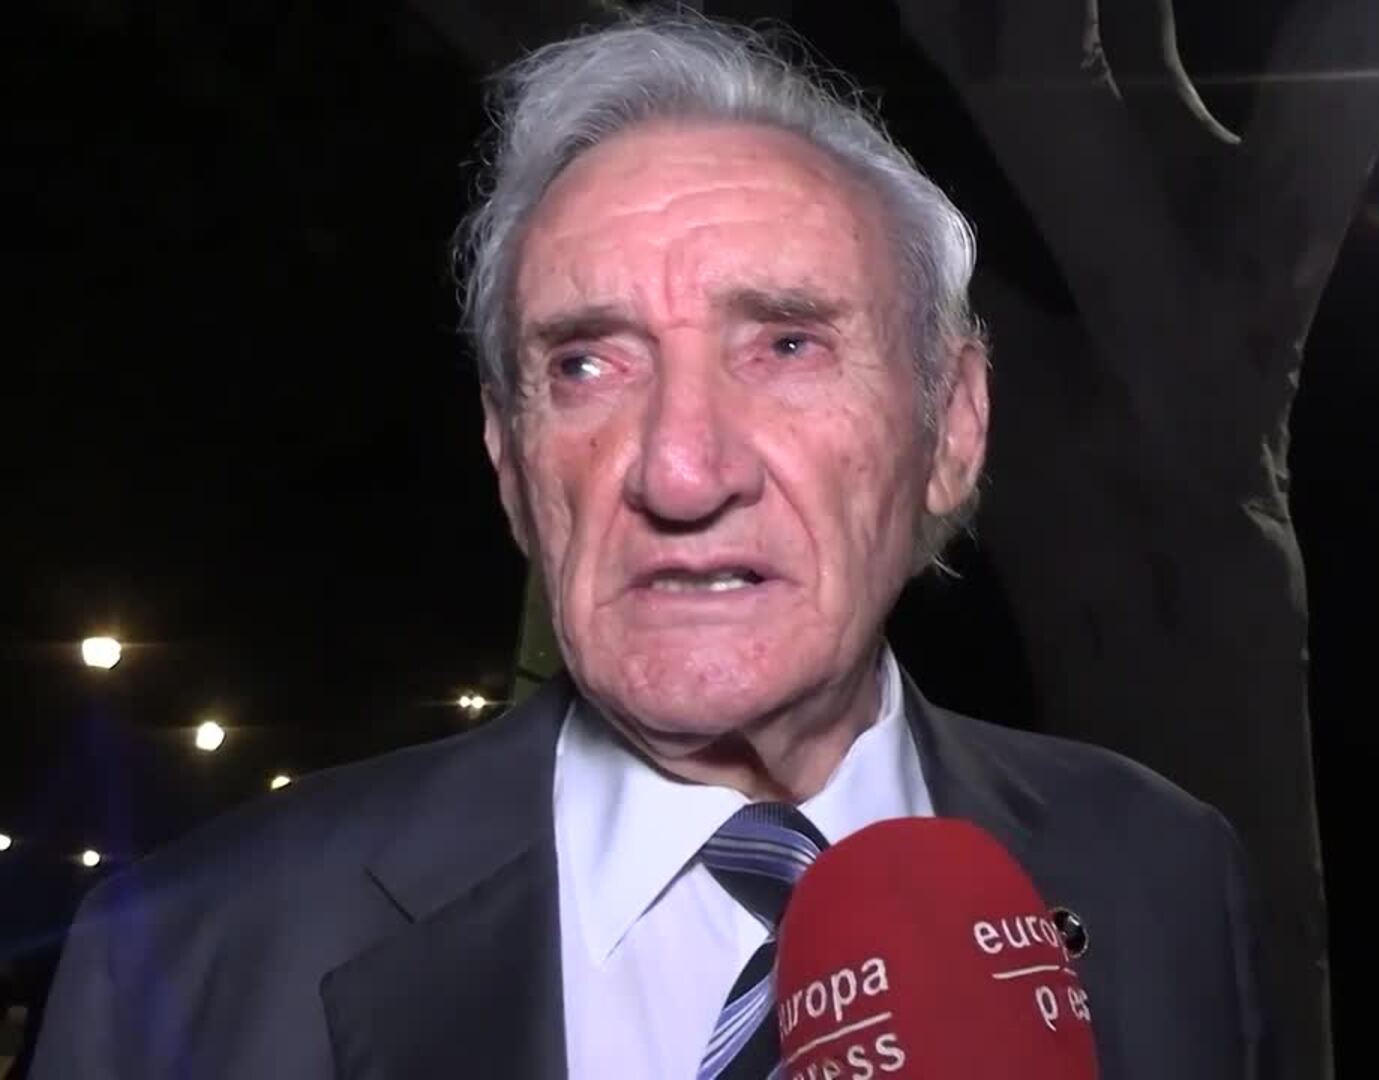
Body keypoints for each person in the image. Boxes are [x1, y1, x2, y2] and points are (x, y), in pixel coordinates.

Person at [30, 11, 1282, 1079]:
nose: (682, 470)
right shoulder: (187, 967)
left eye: (786, 344)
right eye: (587, 364)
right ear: (513, 464)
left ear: (951, 427)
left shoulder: (1162, 878)